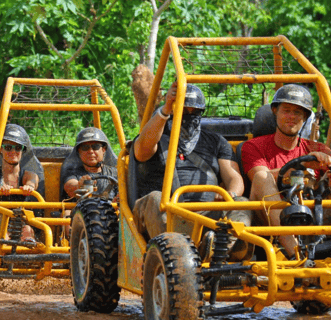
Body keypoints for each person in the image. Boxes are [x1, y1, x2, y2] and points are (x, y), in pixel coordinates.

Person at [132, 82, 252, 261]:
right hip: (164, 210)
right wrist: (165, 109)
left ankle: (215, 253)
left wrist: (230, 194)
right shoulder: (156, 134)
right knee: (156, 198)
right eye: (182, 109)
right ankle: (178, 255)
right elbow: (142, 150)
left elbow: (234, 177)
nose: (187, 115)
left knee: (242, 203)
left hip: (206, 213)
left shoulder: (216, 142)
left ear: (201, 112)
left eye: (193, 111)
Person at [241, 84, 331, 257]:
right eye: (286, 110)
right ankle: (297, 255)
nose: (291, 117)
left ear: (305, 117)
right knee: (262, 176)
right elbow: (258, 177)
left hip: (312, 215)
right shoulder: (252, 146)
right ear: (275, 111)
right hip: (266, 218)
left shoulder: (317, 149)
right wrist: (300, 166)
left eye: (297, 112)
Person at [0, 124, 42, 242]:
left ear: (22, 150)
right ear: (1, 149)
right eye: (8, 147)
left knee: (28, 231)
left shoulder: (28, 174)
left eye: (18, 148)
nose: (13, 151)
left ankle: (26, 258)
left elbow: (33, 180)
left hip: (20, 223)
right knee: (2, 236)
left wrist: (29, 187)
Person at [61, 127, 118, 200]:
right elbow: (70, 187)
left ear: (103, 149)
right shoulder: (71, 172)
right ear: (79, 151)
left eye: (95, 147)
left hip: (109, 210)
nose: (90, 151)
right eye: (85, 147)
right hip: (79, 210)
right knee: (67, 212)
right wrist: (79, 185)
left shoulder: (115, 173)